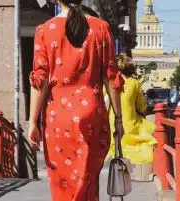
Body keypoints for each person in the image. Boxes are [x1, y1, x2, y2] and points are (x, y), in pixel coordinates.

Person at [27, 0, 124, 200]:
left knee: (61, 181)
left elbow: (40, 80)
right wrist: (119, 119)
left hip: (58, 118)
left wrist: (32, 122)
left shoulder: (45, 30)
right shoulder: (101, 28)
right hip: (92, 113)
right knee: (88, 178)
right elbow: (111, 77)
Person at [105, 55, 157, 165]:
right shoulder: (134, 83)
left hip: (111, 128)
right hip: (129, 128)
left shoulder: (108, 82)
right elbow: (142, 108)